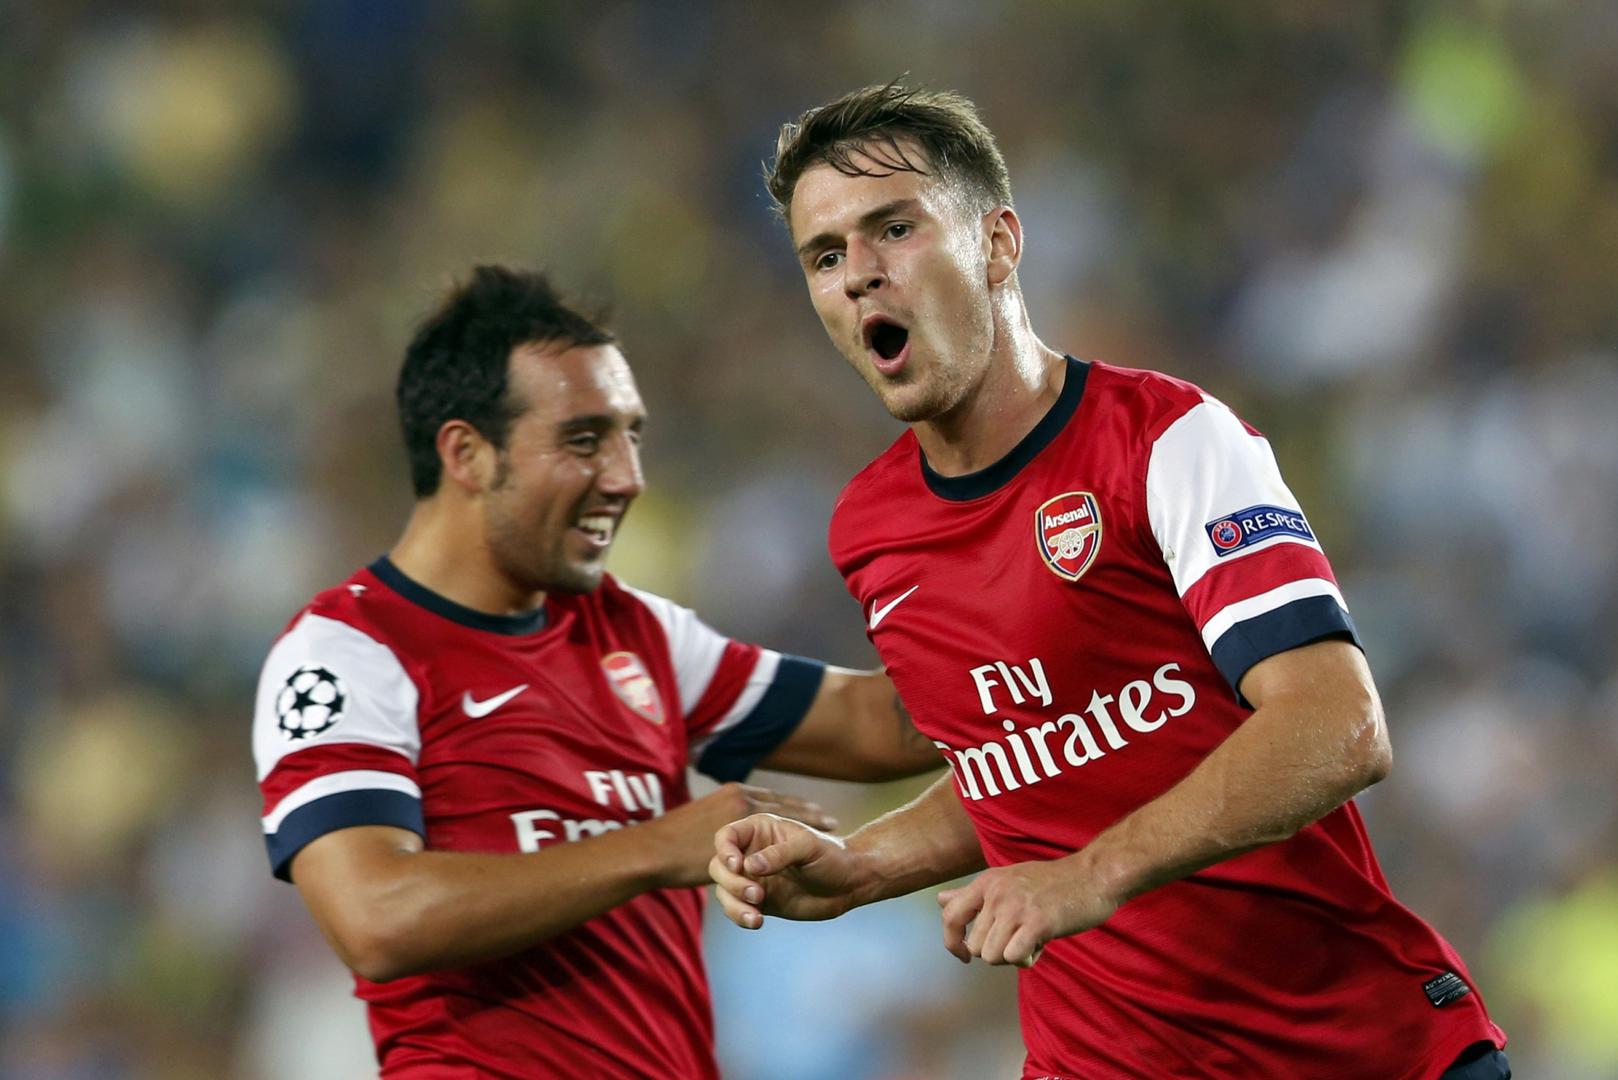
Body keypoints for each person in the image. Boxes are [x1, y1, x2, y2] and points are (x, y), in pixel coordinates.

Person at [711, 84, 1511, 1080]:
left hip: (1351, 1051)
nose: (860, 274)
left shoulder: (1167, 442)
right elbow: (1021, 773)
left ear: (997, 243)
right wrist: (857, 868)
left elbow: (1337, 724)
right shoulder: (870, 533)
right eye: (826, 256)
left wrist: (1092, 875)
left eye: (895, 229)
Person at [250, 265, 941, 1079]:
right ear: (467, 454)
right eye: (584, 441)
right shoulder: (348, 651)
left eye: (630, 437)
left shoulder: (635, 633)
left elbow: (879, 725)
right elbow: (376, 917)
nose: (626, 477)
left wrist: (1043, 610)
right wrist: (654, 847)